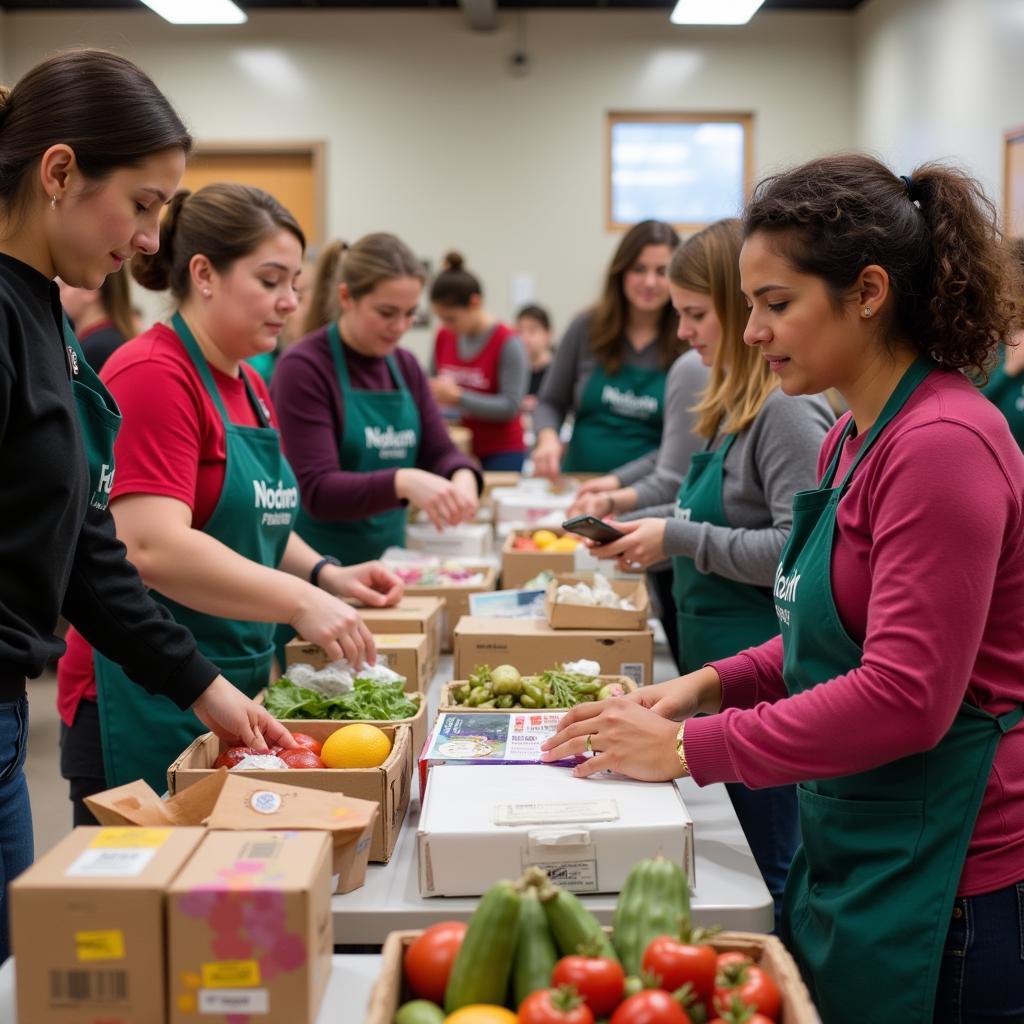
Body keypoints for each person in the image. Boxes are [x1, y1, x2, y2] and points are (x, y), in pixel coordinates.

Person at [543, 155, 1024, 1024]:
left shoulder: (944, 443)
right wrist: (704, 685)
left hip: (954, 876)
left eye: (775, 304)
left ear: (869, 291)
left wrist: (694, 748)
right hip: (866, 838)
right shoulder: (851, 435)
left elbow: (907, 695)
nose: (751, 330)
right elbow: (823, 625)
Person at [0, 49, 293, 965]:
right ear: (59, 173)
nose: (147, 241)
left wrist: (205, 689)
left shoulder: (45, 316)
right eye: (142, 203)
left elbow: (88, 547)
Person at [57, 183, 400, 812]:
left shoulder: (248, 380)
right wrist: (301, 600)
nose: (290, 302)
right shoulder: (155, 375)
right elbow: (151, 545)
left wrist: (328, 573)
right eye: (271, 281)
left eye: (295, 282)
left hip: (228, 678)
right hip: (144, 693)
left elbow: (256, 515)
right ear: (204, 274)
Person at [580, 219, 833, 927]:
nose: (685, 334)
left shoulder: (787, 412)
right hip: (719, 671)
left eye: (696, 315)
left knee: (769, 865)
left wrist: (679, 536)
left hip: (762, 678)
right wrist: (649, 528)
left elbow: (795, 550)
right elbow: (698, 506)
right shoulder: (733, 405)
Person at [272, 232, 481, 567]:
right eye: (386, 312)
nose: (400, 326)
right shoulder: (304, 368)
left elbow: (439, 451)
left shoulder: (405, 366)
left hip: (389, 565)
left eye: (411, 313)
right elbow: (317, 490)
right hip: (319, 570)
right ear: (346, 296)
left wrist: (463, 476)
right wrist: (404, 481)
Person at [567, 348, 710, 670]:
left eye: (697, 315)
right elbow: (672, 460)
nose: (685, 333)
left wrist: (670, 532)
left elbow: (674, 481)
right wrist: (616, 497)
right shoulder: (700, 374)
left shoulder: (692, 371)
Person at [531, 220, 683, 477]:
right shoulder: (586, 327)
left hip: (649, 495)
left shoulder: (687, 339)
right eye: (639, 269)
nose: (649, 282)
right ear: (621, 271)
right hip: (578, 484)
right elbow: (550, 402)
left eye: (661, 271)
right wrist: (547, 439)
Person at [429, 252, 529, 471]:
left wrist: (459, 397)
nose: (446, 325)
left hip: (501, 451)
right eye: (441, 318)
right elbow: (432, 388)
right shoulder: (444, 336)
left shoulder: (508, 342)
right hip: (457, 445)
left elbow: (510, 406)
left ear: (475, 303)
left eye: (451, 318)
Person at [58, 266, 135, 373]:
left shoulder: (97, 349)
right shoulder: (110, 338)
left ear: (90, 289)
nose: (59, 292)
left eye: (64, 285)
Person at [516, 303, 554, 406]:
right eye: (520, 331)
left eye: (532, 330)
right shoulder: (513, 369)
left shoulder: (559, 371)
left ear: (548, 333)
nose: (525, 338)